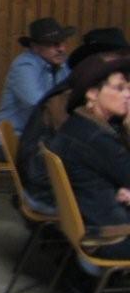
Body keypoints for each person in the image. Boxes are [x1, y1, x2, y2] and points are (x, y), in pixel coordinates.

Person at [17, 28, 130, 209]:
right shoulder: (69, 104)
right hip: (49, 193)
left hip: (61, 186)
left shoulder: (84, 99)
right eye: (117, 59)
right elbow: (103, 159)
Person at [48, 51, 130, 259]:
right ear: (92, 93)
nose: (128, 95)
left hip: (96, 224)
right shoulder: (96, 139)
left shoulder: (79, 124)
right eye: (120, 88)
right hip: (112, 237)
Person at [0, 17, 75, 145]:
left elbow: (72, 95)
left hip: (38, 138)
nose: (61, 49)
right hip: (12, 140)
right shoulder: (24, 66)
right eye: (52, 44)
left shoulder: (61, 64)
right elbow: (38, 105)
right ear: (35, 47)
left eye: (62, 42)